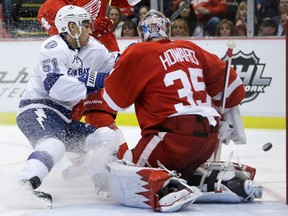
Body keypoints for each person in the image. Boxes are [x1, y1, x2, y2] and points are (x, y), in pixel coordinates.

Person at [101, 9, 262, 212]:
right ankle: (225, 182)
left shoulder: (139, 51)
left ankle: (167, 190)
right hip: (207, 141)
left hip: (170, 139)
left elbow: (113, 102)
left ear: (142, 33)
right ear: (167, 30)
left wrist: (123, 62)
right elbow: (235, 89)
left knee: (124, 169)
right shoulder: (191, 48)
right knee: (181, 170)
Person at [16, 5, 120, 208]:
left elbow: (115, 65)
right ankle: (24, 186)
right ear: (72, 27)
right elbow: (56, 87)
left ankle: (103, 183)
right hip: (36, 109)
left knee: (106, 137)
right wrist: (95, 79)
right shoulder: (52, 48)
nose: (91, 30)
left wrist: (138, 55)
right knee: (54, 144)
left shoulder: (94, 48)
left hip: (63, 119)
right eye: (86, 26)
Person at [38, 0, 141, 52]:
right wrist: (91, 26)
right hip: (78, 61)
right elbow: (63, 39)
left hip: (107, 50)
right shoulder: (49, 7)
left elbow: (129, 1)